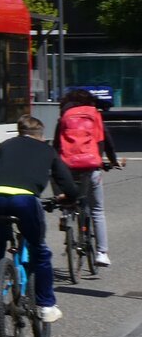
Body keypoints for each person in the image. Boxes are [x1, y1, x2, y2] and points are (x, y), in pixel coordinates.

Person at [0, 114, 78, 322]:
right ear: (41, 136)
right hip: (24, 200)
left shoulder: (6, 145)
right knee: (39, 250)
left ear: (20, 132)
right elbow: (67, 183)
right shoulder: (48, 150)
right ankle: (46, 305)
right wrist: (70, 198)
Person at [54, 88, 122, 266]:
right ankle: (102, 253)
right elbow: (105, 140)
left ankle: (65, 212)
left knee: (67, 195)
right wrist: (112, 161)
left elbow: (56, 145)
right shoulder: (95, 115)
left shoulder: (65, 116)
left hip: (68, 168)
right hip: (91, 167)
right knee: (97, 210)